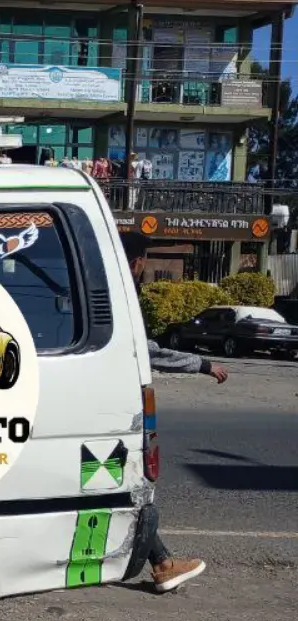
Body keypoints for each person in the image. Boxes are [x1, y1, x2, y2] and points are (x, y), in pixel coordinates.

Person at [120, 231, 227, 592]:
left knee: (126, 484)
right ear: (137, 262)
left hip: (108, 401)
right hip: (116, 405)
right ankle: (163, 563)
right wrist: (201, 364)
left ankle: (162, 562)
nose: (146, 266)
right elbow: (146, 351)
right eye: (145, 259)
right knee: (133, 485)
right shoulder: (121, 291)